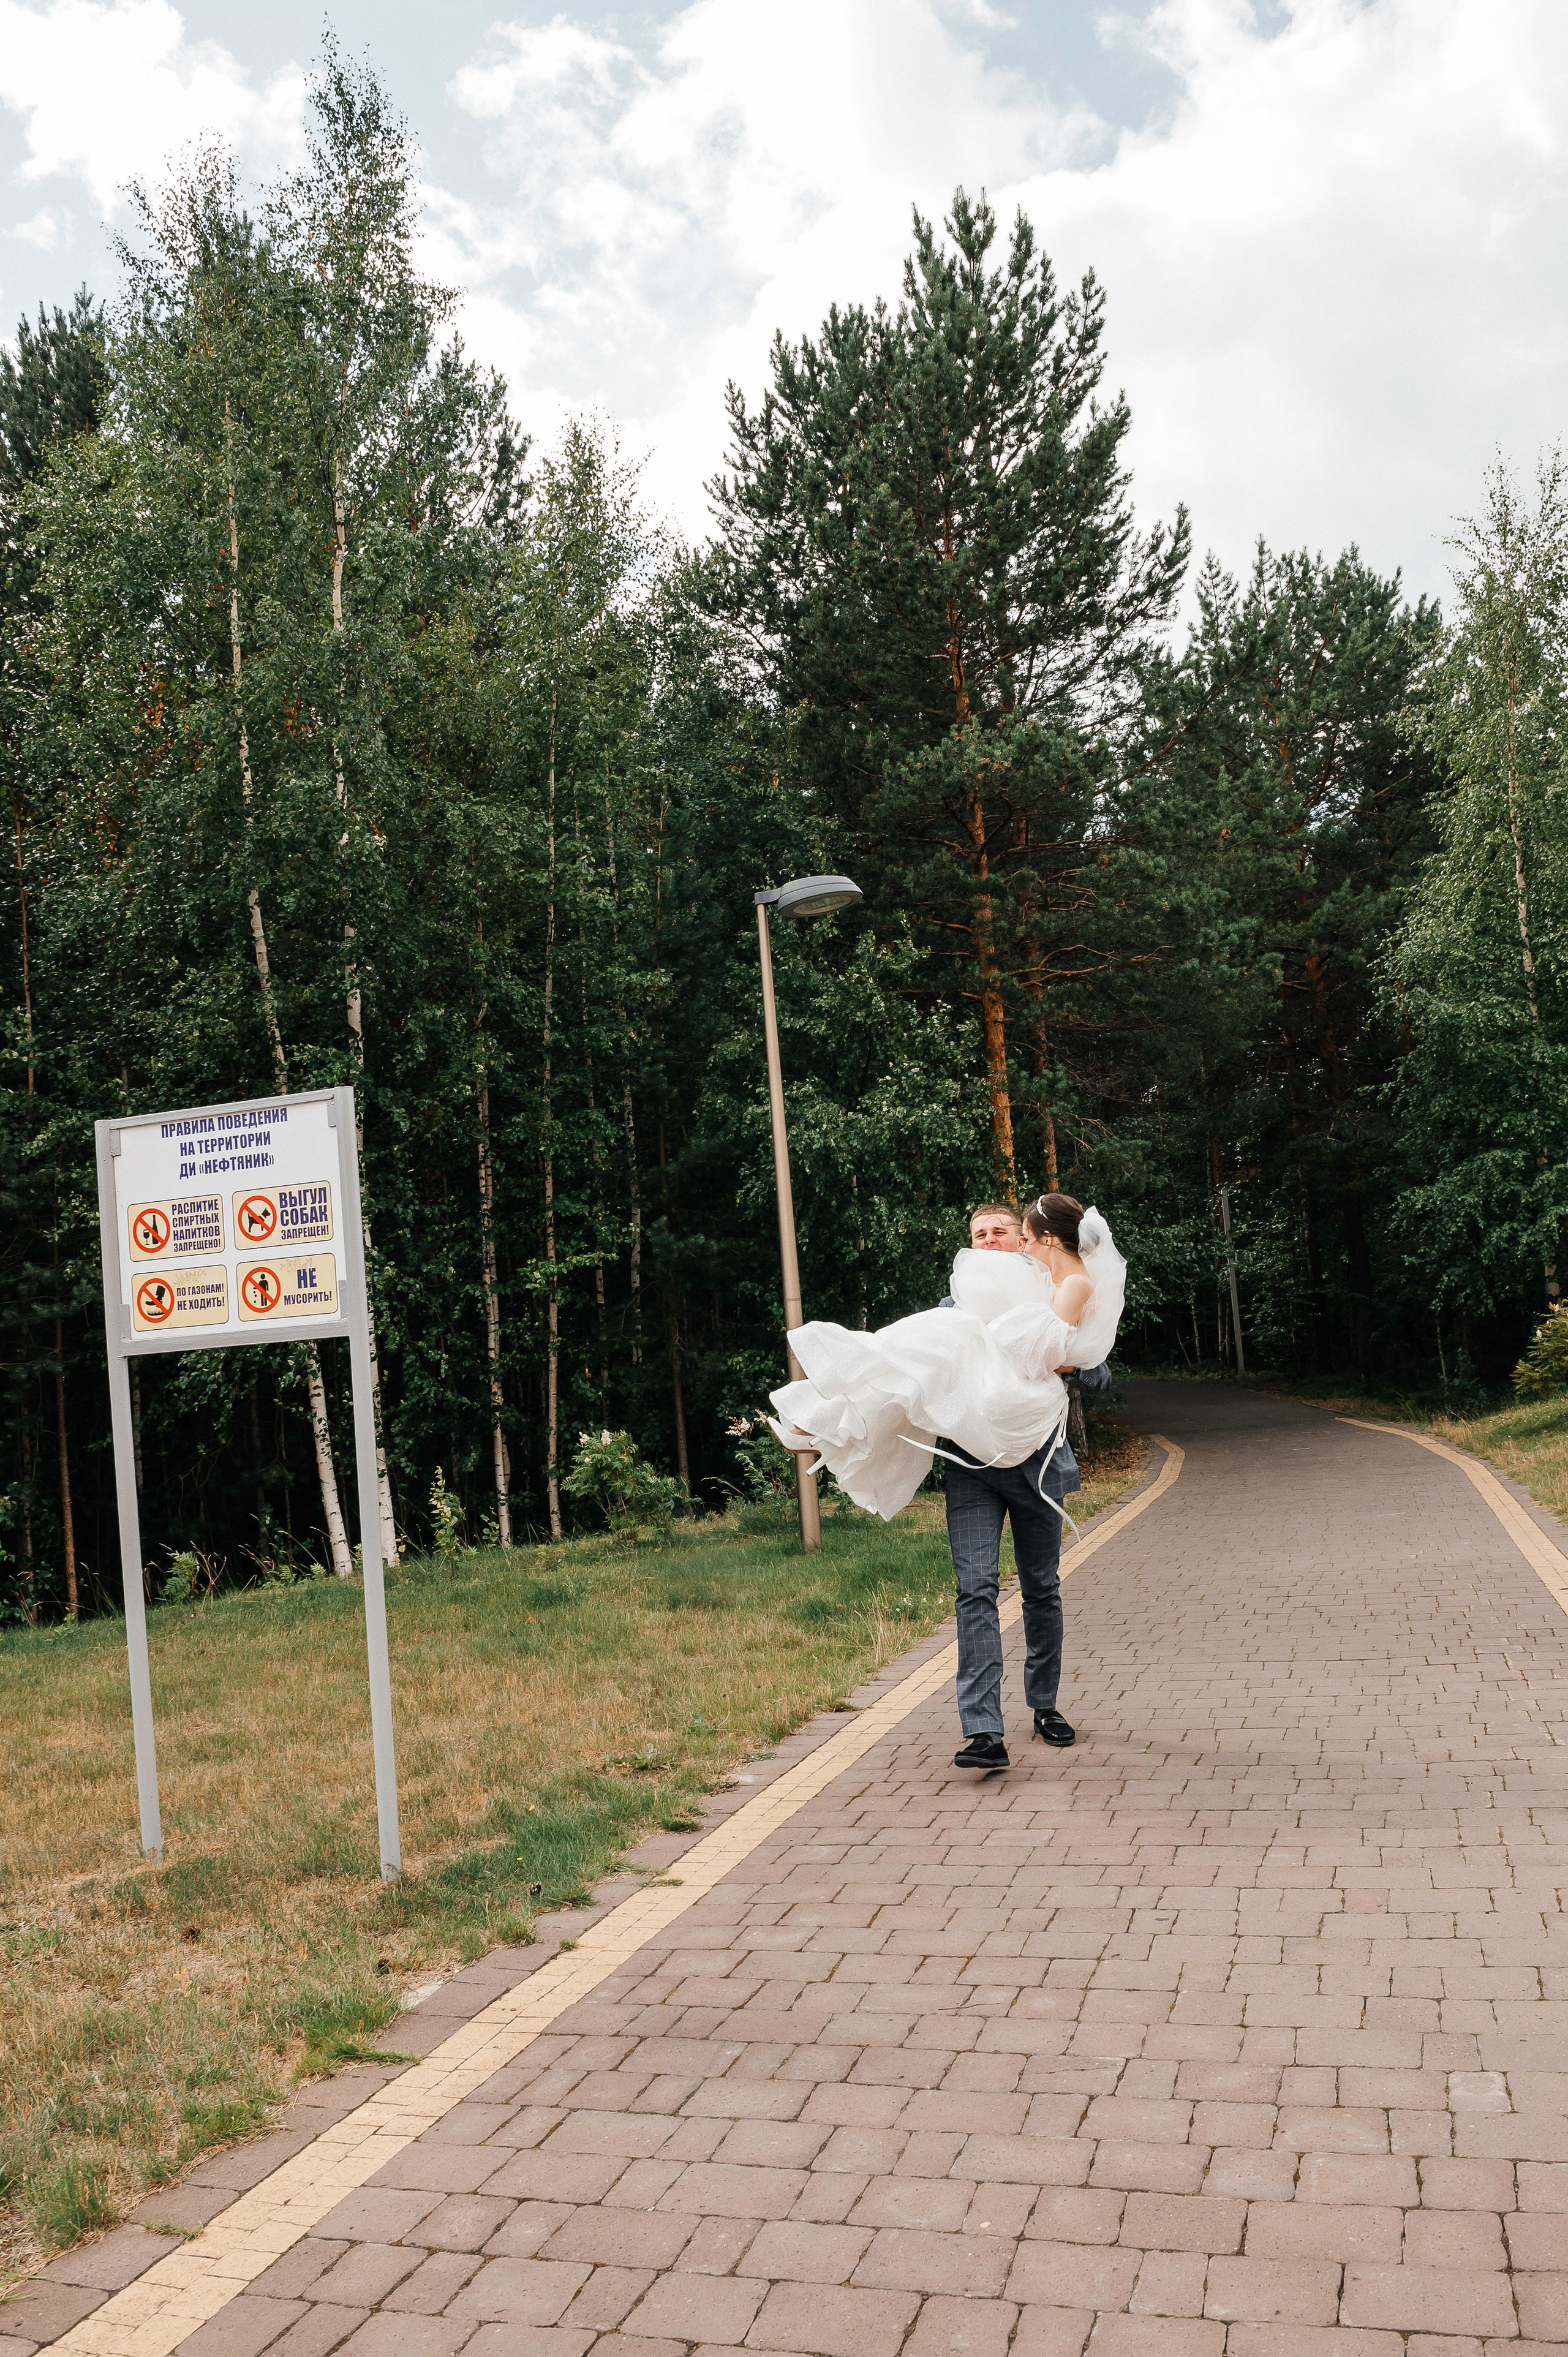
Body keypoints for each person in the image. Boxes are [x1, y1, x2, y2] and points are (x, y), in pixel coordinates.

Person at [767, 1193, 1125, 1771]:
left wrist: (1057, 1361)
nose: (988, 1241)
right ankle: (983, 1730)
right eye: (978, 1234)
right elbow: (913, 1368)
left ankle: (1045, 1706)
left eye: (999, 1231)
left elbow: (1100, 1374)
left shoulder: (1063, 1287)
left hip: (1038, 1462)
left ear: (1026, 1239)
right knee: (975, 1588)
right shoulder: (956, 1303)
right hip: (970, 1467)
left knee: (1041, 1587)